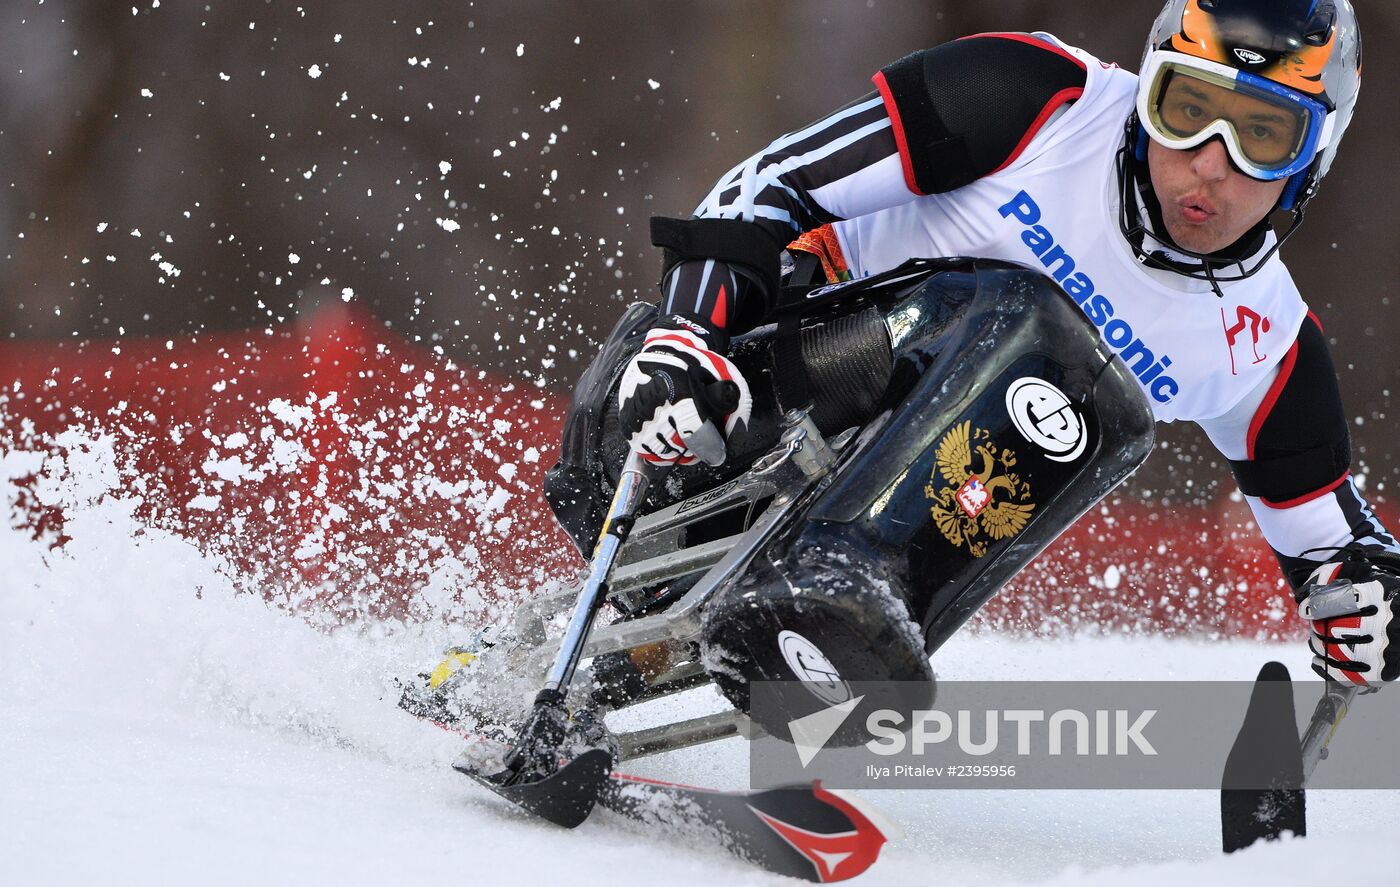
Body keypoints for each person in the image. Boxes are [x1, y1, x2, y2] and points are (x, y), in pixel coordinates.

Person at [615, 0, 1400, 684]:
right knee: (1036, 320)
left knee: (1103, 409)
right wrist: (687, 331)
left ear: (1314, 159)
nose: (1209, 164)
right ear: (1147, 88)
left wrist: (1369, 610)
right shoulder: (1039, 100)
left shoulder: (1268, 344)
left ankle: (795, 642)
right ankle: (836, 577)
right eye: (1187, 110)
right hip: (719, 400)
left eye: (1263, 135)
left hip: (866, 551)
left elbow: (1340, 548)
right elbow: (774, 179)